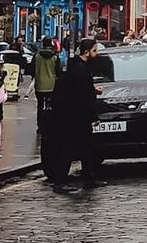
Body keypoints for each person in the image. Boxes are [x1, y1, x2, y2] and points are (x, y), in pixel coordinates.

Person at [47, 36, 100, 189]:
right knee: (69, 150)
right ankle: (59, 182)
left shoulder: (76, 67)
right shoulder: (80, 69)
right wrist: (93, 116)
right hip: (77, 117)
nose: (96, 54)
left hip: (75, 116)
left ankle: (89, 178)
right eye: (94, 51)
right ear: (86, 52)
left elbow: (78, 90)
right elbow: (83, 96)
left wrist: (92, 89)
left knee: (87, 149)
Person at [33, 38, 61, 131]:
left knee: (40, 106)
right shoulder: (55, 57)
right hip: (52, 85)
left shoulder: (37, 56)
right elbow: (58, 71)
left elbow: (31, 69)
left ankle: (40, 126)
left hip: (39, 84)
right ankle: (49, 124)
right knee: (50, 106)